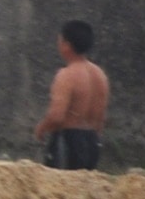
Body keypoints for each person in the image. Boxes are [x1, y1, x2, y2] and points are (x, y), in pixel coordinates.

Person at [35, 20, 109, 171]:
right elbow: (101, 117)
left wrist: (41, 128)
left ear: (66, 45)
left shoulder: (67, 75)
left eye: (60, 40)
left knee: (61, 191)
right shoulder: (100, 75)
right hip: (92, 141)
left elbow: (57, 116)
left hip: (68, 142)